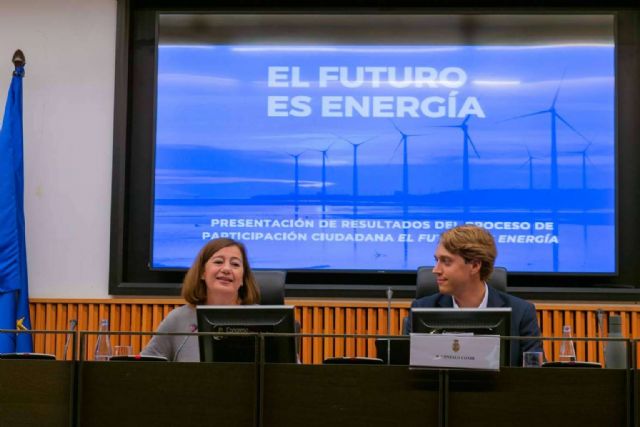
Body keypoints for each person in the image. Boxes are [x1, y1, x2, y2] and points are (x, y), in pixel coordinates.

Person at [406, 224, 543, 366]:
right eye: (437, 260)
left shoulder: (521, 313)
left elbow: (534, 376)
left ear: (475, 266)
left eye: (446, 261)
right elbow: (406, 372)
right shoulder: (421, 309)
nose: (436, 270)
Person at [141, 238, 260, 361]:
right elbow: (145, 369)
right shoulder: (178, 319)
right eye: (218, 262)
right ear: (202, 273)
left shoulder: (259, 318)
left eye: (235, 264)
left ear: (243, 278)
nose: (226, 269)